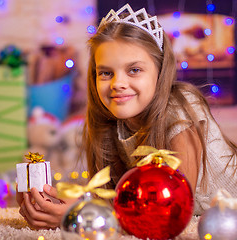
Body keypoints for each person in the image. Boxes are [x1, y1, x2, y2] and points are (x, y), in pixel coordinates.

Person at [16, 3, 237, 229]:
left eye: (134, 70)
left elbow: (171, 210)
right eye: (106, 73)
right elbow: (117, 202)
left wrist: (81, 214)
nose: (117, 83)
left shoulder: (181, 109)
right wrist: (55, 205)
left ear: (160, 73)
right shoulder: (113, 121)